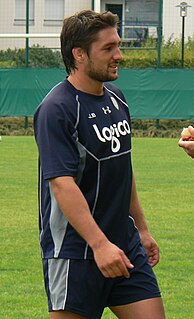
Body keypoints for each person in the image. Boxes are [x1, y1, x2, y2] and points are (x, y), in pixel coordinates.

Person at [34, 10, 165, 319]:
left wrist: (142, 229)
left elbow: (123, 167)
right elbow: (62, 184)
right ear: (79, 54)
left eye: (117, 45)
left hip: (124, 245)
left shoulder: (117, 99)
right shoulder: (57, 109)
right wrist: (99, 244)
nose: (118, 55)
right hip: (75, 253)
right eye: (108, 48)